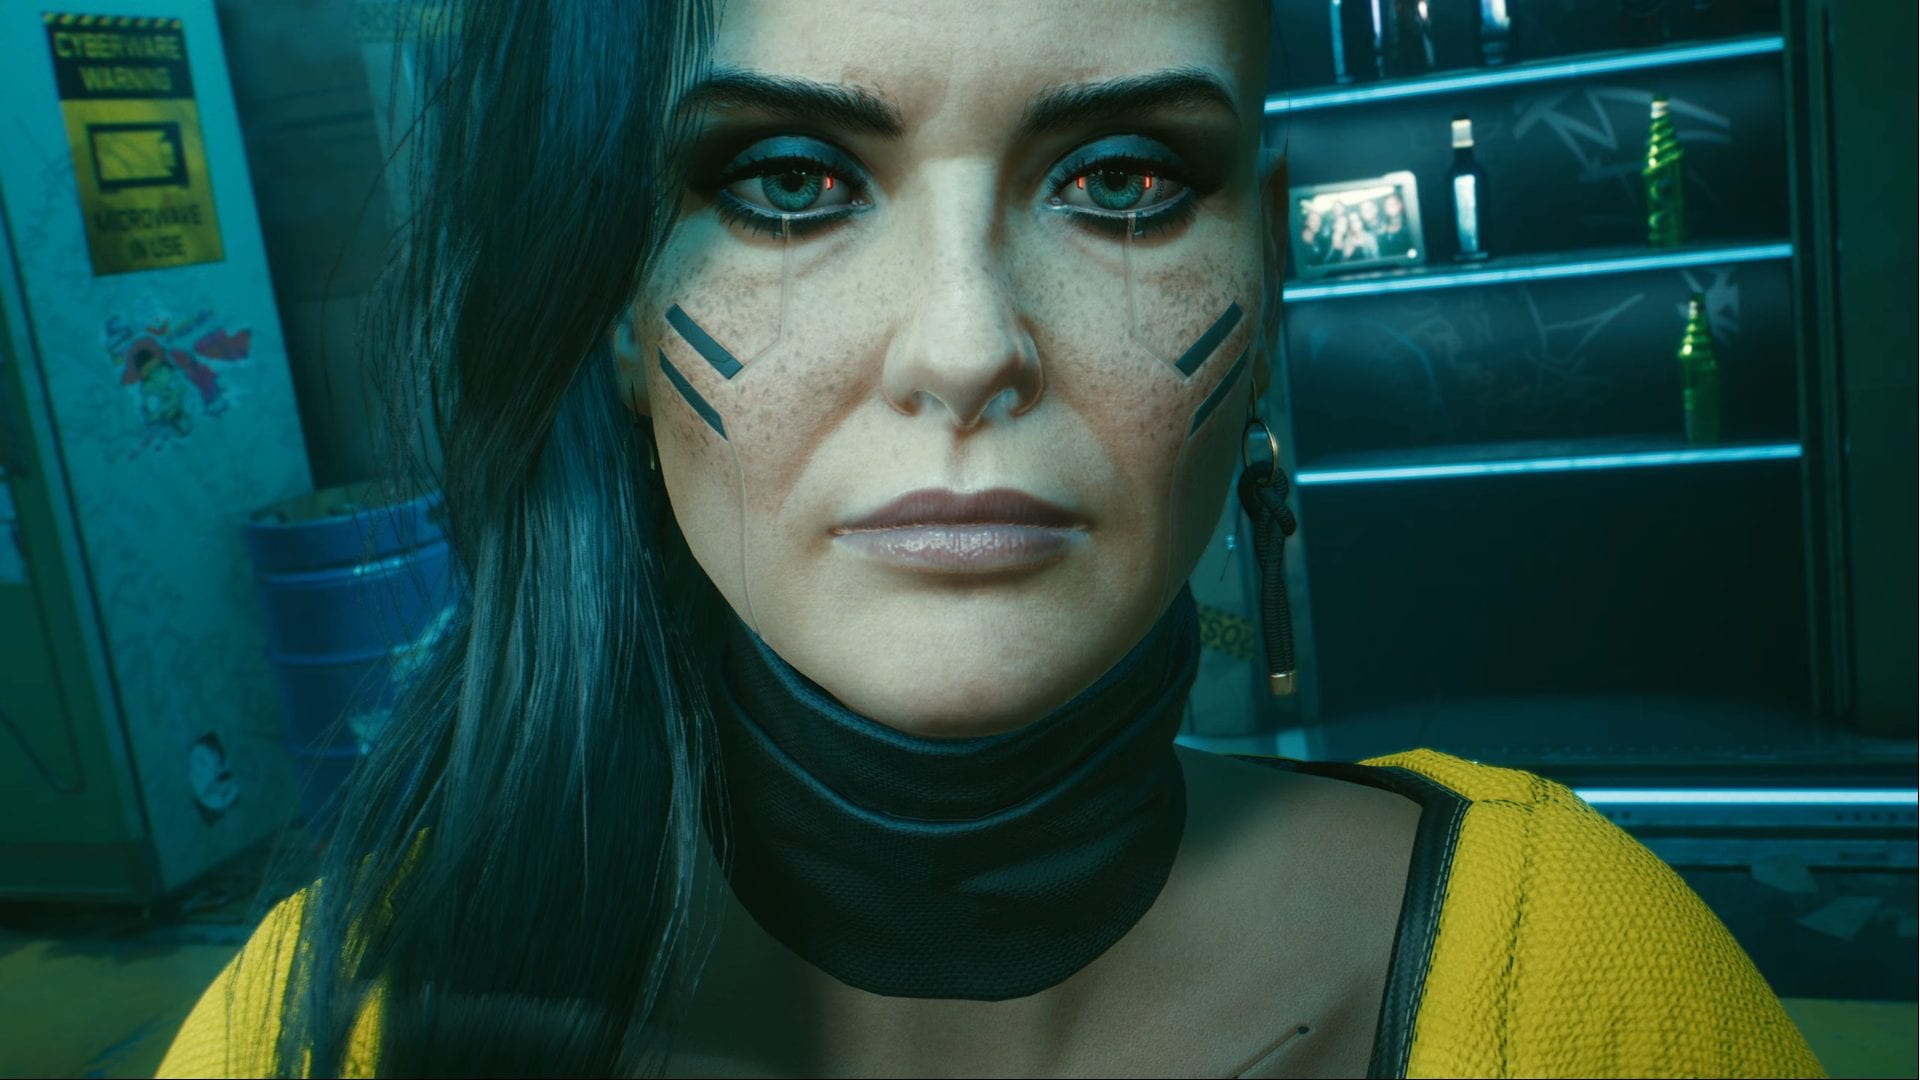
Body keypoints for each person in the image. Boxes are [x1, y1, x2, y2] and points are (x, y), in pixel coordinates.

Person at [157, 0, 1825, 1077]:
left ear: (1269, 265)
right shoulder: (316, 1031)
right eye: (789, 182)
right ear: (610, 296)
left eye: (1124, 180)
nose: (965, 348)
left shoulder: (1587, 995)